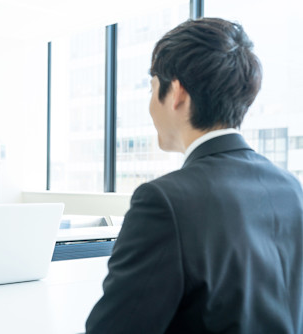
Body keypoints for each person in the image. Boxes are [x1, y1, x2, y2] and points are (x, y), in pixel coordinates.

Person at [86, 18, 303, 333]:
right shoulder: (290, 188)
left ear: (176, 92)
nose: (150, 105)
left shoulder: (164, 202)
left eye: (151, 89)